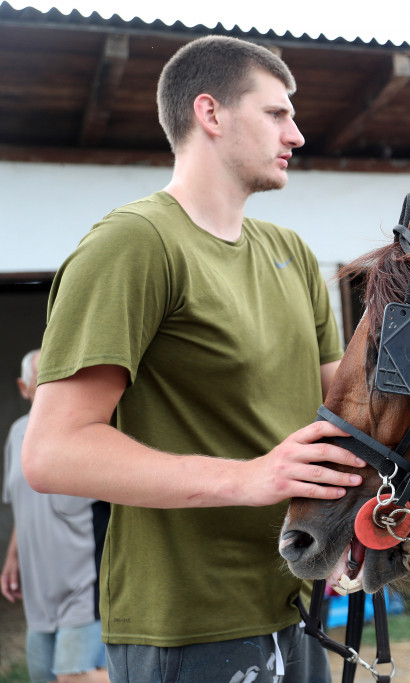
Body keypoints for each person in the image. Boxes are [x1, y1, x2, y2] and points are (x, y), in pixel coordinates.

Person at [21, 36, 367, 683]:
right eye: (276, 114)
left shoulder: (291, 251)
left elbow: (339, 418)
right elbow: (52, 453)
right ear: (210, 113)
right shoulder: (136, 243)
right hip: (187, 628)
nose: (297, 132)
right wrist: (249, 477)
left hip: (296, 603)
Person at [2, 349, 109, 683]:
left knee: (71, 677)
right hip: (38, 595)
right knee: (43, 677)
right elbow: (23, 501)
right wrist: (12, 556)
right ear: (24, 388)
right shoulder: (17, 434)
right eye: (41, 379)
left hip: (84, 587)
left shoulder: (90, 433)